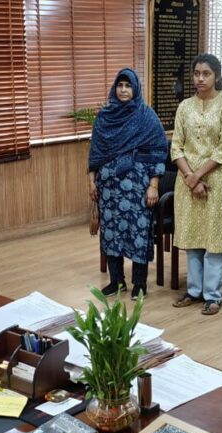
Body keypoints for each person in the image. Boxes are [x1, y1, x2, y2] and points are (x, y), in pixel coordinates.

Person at [88, 68, 169, 298]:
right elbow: (95, 153)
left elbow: (158, 152)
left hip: (137, 188)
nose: (123, 90)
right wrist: (91, 181)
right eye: (120, 86)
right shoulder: (105, 117)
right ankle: (116, 281)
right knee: (111, 233)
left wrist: (153, 185)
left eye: (128, 86)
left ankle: (139, 283)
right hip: (108, 188)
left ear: (135, 89)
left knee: (138, 233)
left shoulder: (146, 116)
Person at [170, 53, 222, 315]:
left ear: (216, 76)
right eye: (196, 73)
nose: (200, 78)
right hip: (186, 181)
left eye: (206, 73)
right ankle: (193, 290)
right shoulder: (185, 106)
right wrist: (190, 177)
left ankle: (212, 295)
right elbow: (176, 146)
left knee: (214, 239)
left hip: (216, 181)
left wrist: (197, 176)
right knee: (192, 237)